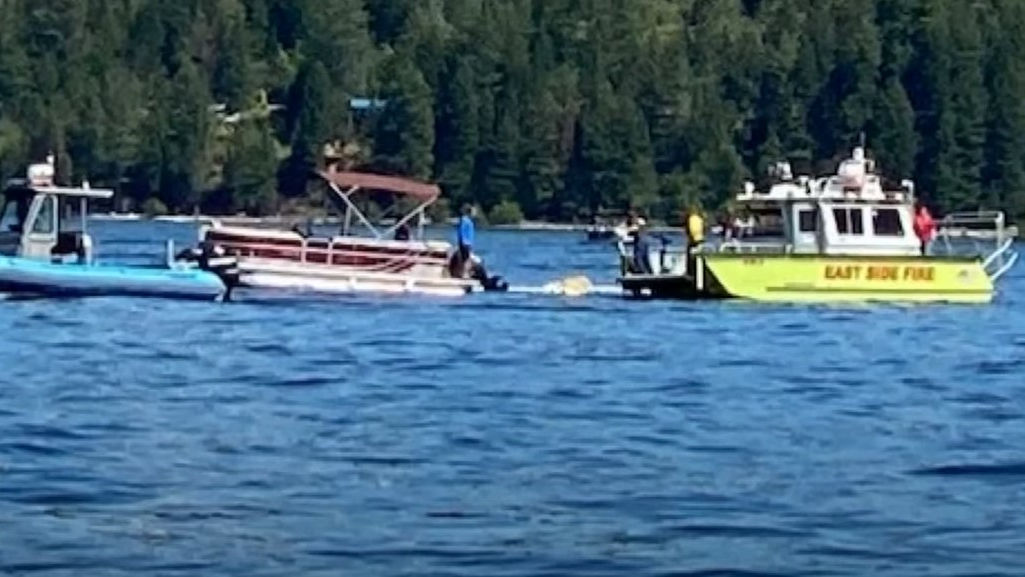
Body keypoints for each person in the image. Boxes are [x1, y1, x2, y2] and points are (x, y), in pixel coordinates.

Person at [454, 204, 476, 277]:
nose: (474, 213)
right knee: (466, 259)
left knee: (466, 258)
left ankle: (463, 273)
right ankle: (463, 274)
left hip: (468, 242)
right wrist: (462, 242)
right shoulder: (464, 220)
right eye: (473, 212)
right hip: (465, 242)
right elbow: (461, 231)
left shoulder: (468, 220)